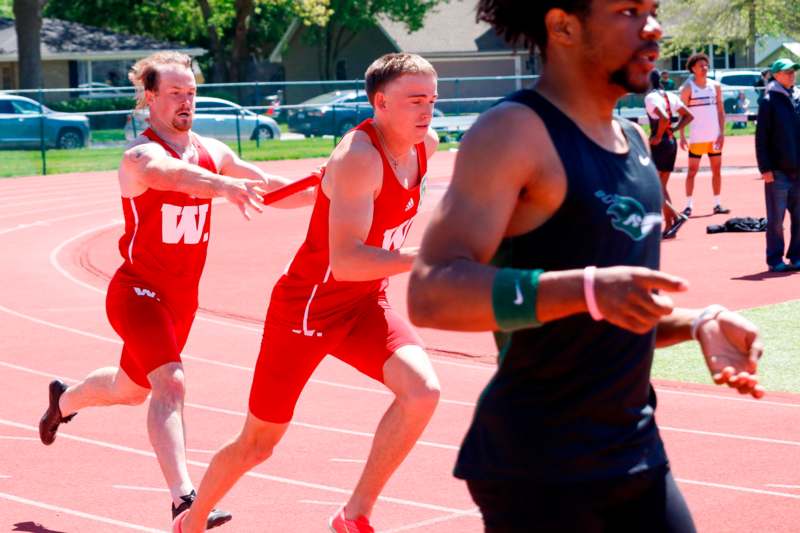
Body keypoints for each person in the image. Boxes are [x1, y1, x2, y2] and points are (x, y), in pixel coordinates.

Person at [407, 2, 765, 531]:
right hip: (539, 468)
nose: (654, 27)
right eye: (627, 10)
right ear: (563, 26)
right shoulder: (514, 132)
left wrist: (695, 322)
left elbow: (608, 304)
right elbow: (431, 292)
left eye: (653, 9)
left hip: (634, 450)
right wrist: (589, 288)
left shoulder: (635, 141)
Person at [37, 51, 315, 529]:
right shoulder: (140, 155)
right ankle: (185, 498)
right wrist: (222, 185)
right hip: (137, 292)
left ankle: (62, 400)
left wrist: (336, 192)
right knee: (172, 382)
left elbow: (269, 187)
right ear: (149, 98)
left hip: (182, 303)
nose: (186, 102)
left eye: (191, 93)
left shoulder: (213, 152)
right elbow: (172, 177)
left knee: (130, 390)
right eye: (174, 93)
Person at [173, 53, 441, 533]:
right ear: (380, 103)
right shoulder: (359, 157)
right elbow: (348, 260)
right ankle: (190, 524)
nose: (427, 111)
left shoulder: (427, 147)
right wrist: (428, 258)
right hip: (307, 310)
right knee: (258, 443)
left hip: (364, 304)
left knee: (422, 392)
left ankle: (353, 515)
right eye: (415, 100)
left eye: (432, 100)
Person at [755, 58, 800, 272]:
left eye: (793, 71)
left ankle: (797, 256)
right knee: (776, 220)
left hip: (798, 170)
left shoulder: (798, 97)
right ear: (776, 74)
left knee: (799, 218)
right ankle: (775, 259)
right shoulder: (768, 100)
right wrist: (765, 168)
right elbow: (761, 137)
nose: (792, 74)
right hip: (778, 172)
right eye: (787, 71)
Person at [679, 52, 729, 216]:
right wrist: (682, 136)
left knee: (717, 170)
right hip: (697, 138)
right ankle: (688, 205)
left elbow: (721, 111)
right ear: (693, 69)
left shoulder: (715, 86)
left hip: (714, 137)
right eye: (701, 66)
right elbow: (682, 114)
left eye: (706, 65)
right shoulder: (687, 89)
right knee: (692, 172)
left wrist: (722, 133)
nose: (704, 68)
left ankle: (717, 204)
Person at [645, 69, 693, 238]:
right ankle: (670, 224)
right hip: (671, 143)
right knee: (661, 187)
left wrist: (658, 136)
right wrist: (675, 129)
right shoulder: (670, 96)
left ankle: (677, 217)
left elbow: (664, 118)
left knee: (656, 188)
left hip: (660, 145)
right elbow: (689, 115)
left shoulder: (650, 98)